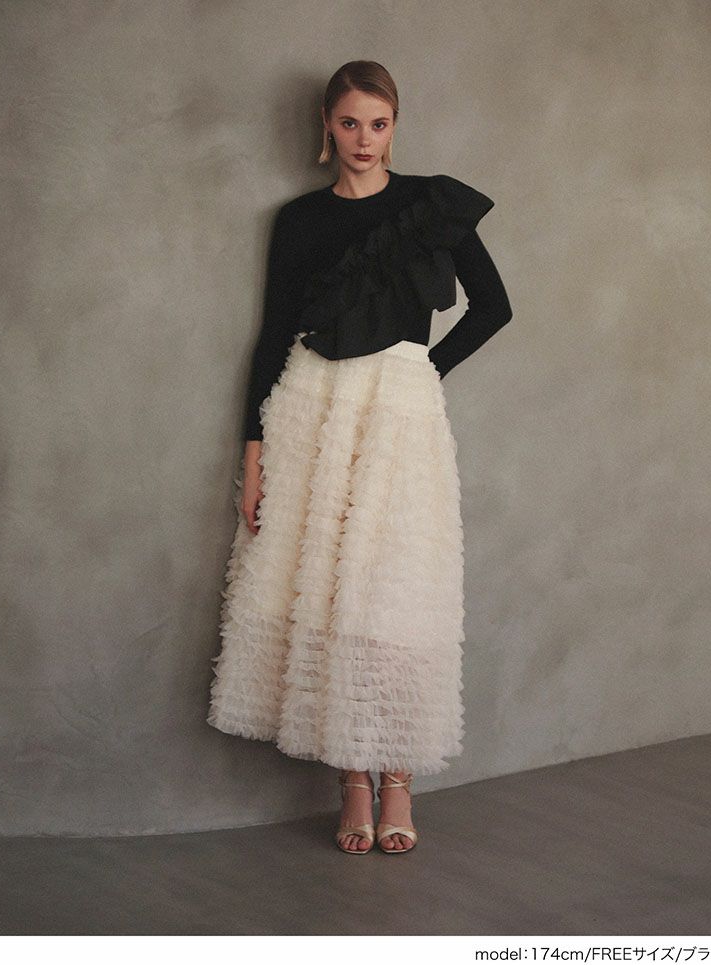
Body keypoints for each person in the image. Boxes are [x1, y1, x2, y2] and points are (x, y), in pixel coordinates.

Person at [207, 60, 513, 855]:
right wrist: (253, 457)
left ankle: (398, 780)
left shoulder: (431, 205)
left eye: (378, 124)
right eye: (349, 123)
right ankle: (351, 783)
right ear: (327, 126)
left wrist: (422, 371)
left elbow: (496, 307)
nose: (363, 140)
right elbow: (273, 336)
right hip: (310, 406)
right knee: (325, 586)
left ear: (395, 126)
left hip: (398, 414)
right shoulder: (300, 220)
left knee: (394, 591)